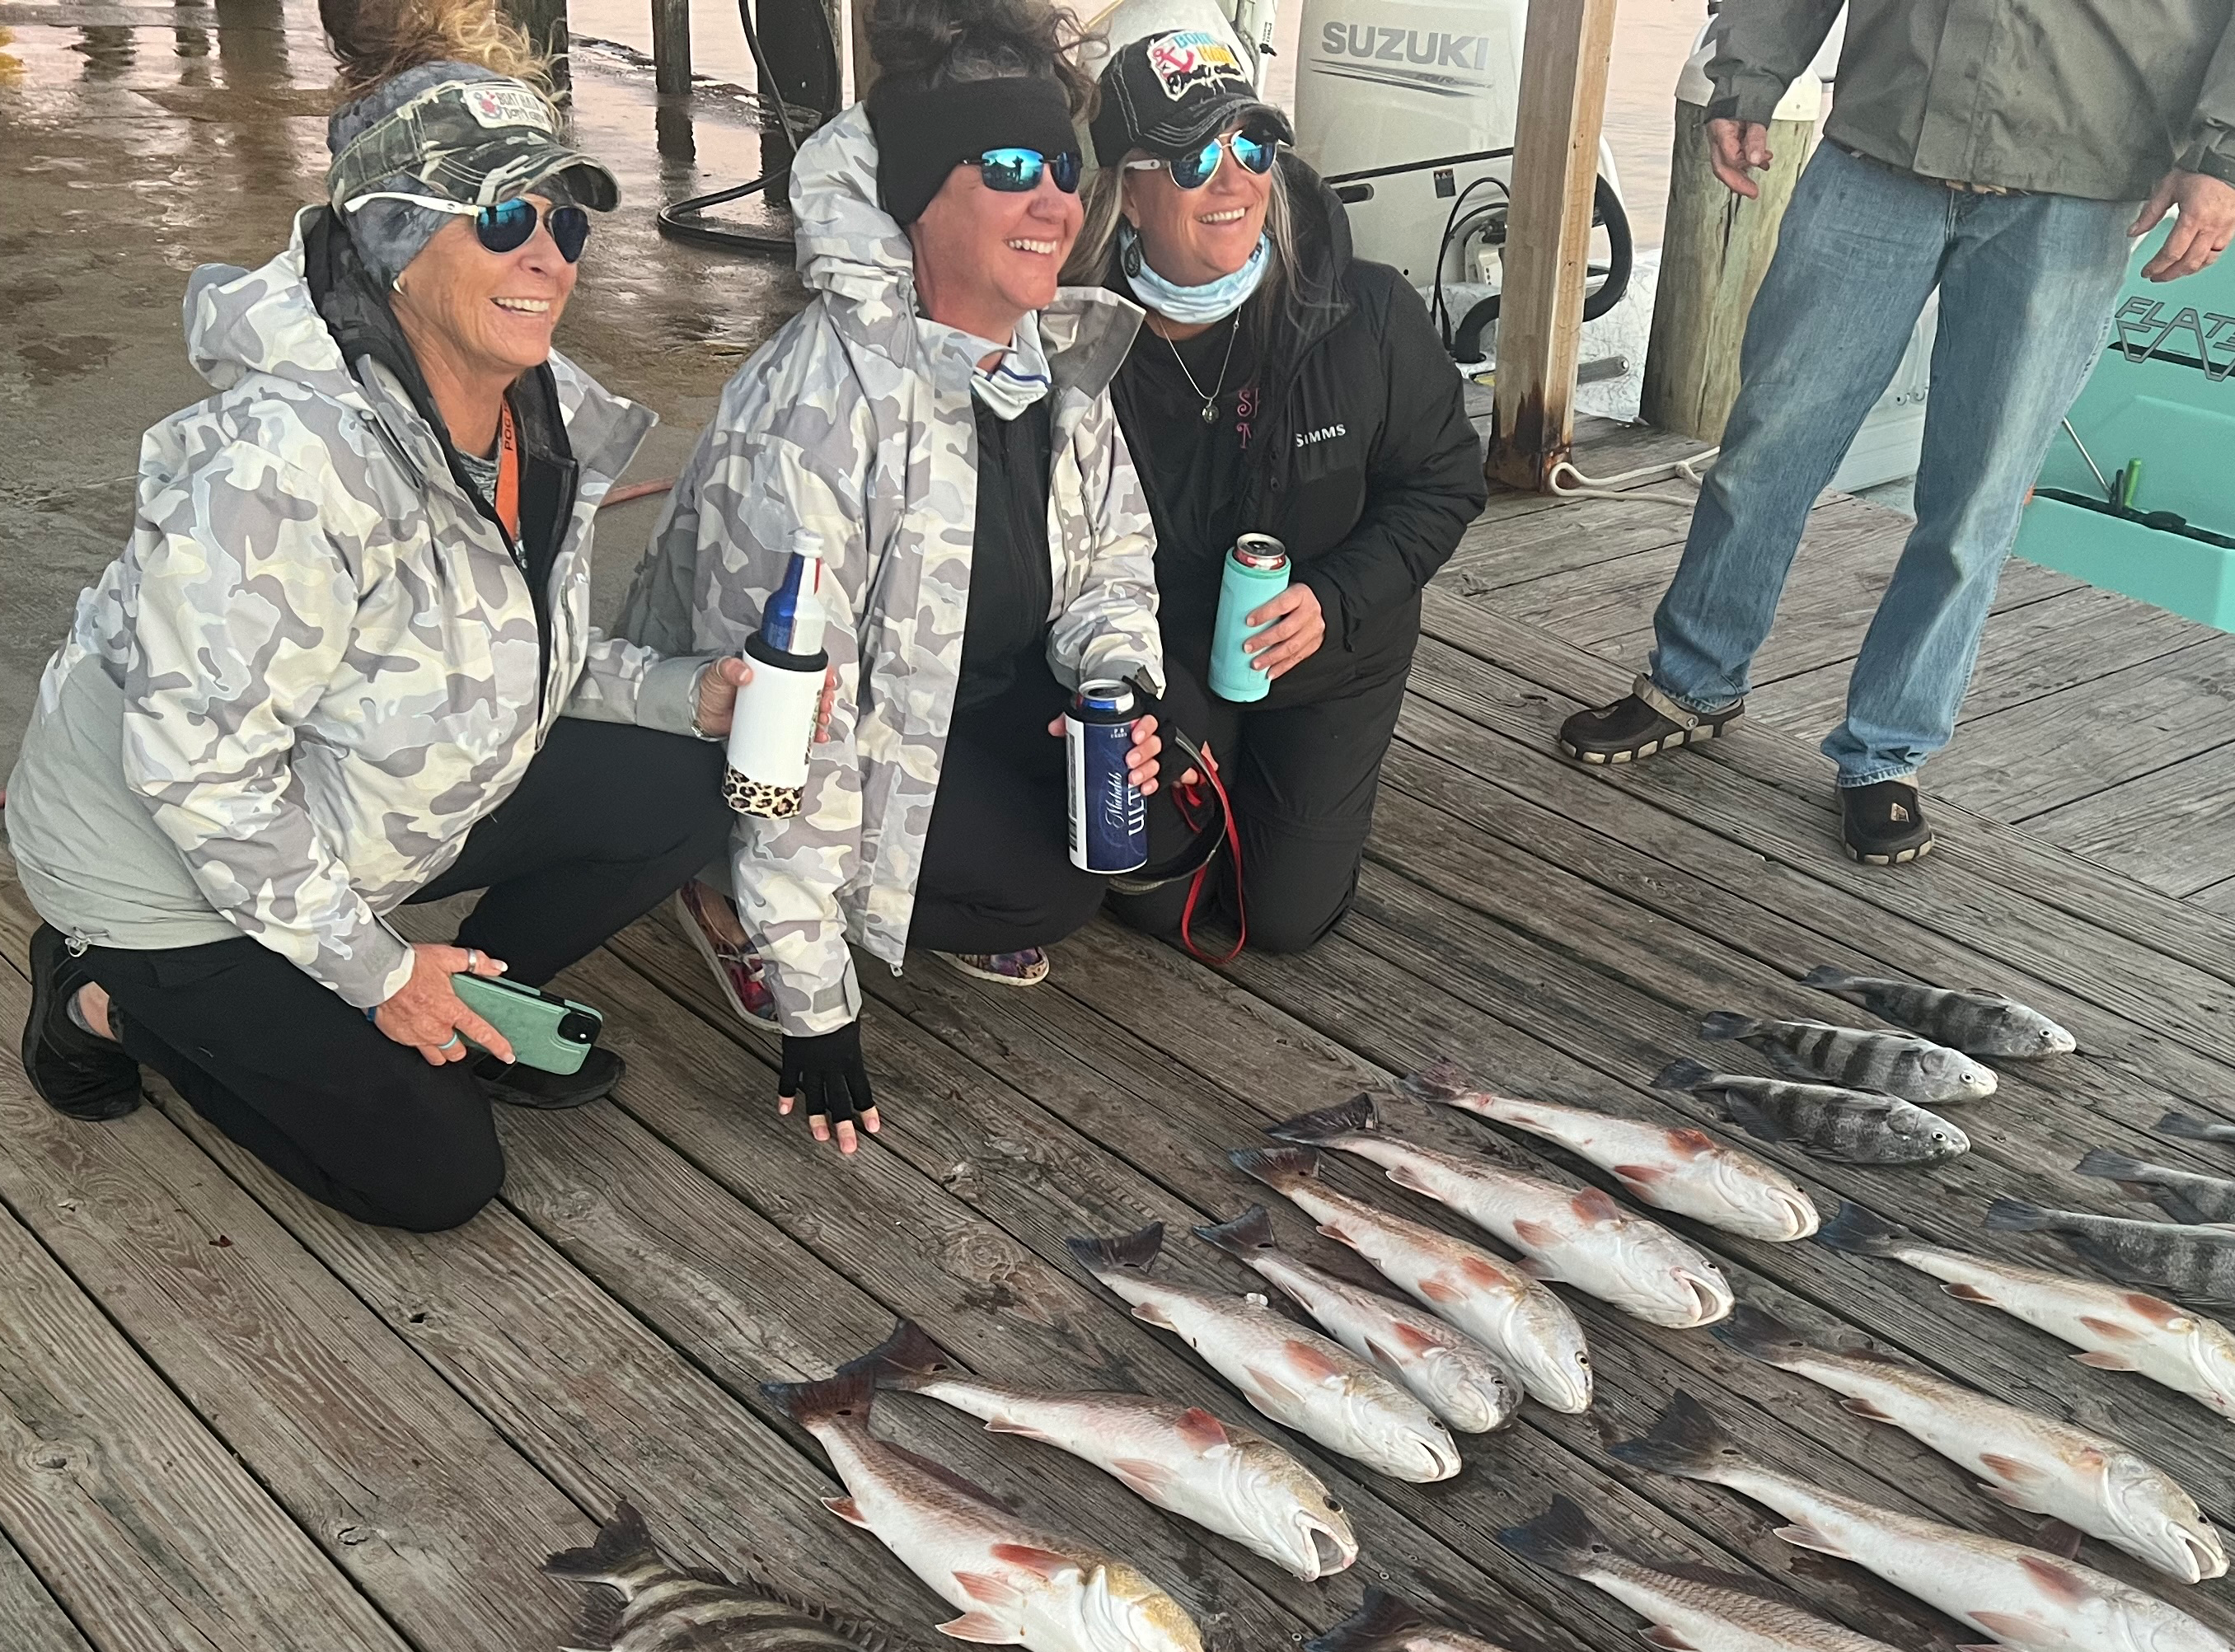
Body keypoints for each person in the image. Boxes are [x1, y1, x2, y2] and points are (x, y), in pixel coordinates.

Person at [7, 0, 752, 1230]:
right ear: (395, 241)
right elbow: (201, 778)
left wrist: (690, 695)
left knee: (681, 781)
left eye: (565, 220)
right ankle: (97, 998)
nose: (552, 256)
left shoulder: (538, 410)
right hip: (164, 873)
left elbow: (527, 648)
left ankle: (471, 1008)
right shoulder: (280, 463)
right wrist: (378, 972)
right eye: (506, 218)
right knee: (436, 1177)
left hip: (354, 815)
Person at [1555, 0, 2235, 865]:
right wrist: (1747, 74)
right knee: (1766, 447)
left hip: (2078, 186)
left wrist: (2229, 154)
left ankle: (1885, 752)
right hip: (1876, 152)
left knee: (1979, 493)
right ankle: (1691, 683)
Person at [628, 0, 1186, 1158]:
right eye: (1012, 169)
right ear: (918, 197)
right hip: (770, 757)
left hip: (954, 701)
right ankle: (715, 891)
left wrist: (1123, 687)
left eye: (1065, 170)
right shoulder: (821, 413)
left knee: (1127, 833)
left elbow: (1113, 557)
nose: (1057, 204)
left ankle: (930, 867)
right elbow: (785, 732)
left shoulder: (1052, 357)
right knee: (1039, 891)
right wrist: (818, 1006)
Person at [1071, 29, 1485, 956]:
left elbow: (1446, 483)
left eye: (1252, 146)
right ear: (1126, 193)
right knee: (1154, 899)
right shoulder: (1071, 337)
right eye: (1192, 156)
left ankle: (1288, 793)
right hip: (1163, 655)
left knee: (1285, 919)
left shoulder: (1368, 311)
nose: (1235, 181)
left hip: (1330, 660)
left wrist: (1332, 601)